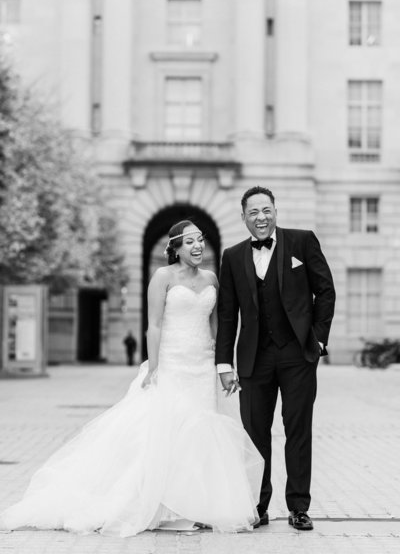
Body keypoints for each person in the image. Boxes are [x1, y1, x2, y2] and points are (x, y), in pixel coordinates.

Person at [0, 220, 263, 537]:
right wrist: (153, 366)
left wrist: (221, 363)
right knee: (169, 433)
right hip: (172, 363)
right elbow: (153, 324)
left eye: (201, 240)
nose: (198, 247)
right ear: (176, 249)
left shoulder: (211, 279)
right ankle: (162, 505)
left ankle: (195, 505)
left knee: (201, 433)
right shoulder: (162, 277)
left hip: (202, 366)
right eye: (190, 242)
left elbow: (215, 325)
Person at [216, 186, 336, 531]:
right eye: (253, 212)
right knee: (254, 435)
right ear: (243, 218)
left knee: (298, 431)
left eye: (266, 210)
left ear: (275, 211)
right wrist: (224, 363)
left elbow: (325, 290)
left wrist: (318, 339)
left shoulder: (302, 241)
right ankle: (257, 506)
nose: (261, 218)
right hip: (254, 358)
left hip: (298, 355)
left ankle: (299, 507)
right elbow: (227, 314)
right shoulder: (233, 256)